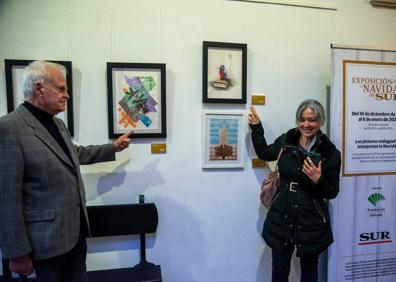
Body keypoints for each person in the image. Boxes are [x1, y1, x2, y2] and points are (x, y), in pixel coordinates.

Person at [0, 60, 132, 282]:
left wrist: (112, 147)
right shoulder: (9, 128)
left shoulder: (57, 124)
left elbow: (73, 154)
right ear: (39, 88)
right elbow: (6, 199)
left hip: (74, 237)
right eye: (61, 89)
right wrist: (17, 253)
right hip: (42, 247)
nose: (67, 95)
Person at [248, 99, 341, 282]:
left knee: (309, 272)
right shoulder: (287, 140)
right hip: (282, 213)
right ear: (297, 120)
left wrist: (318, 179)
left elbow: (332, 192)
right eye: (302, 119)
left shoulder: (329, 152)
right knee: (279, 272)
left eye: (312, 120)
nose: (306, 124)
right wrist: (257, 127)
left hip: (311, 218)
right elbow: (265, 153)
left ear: (320, 121)